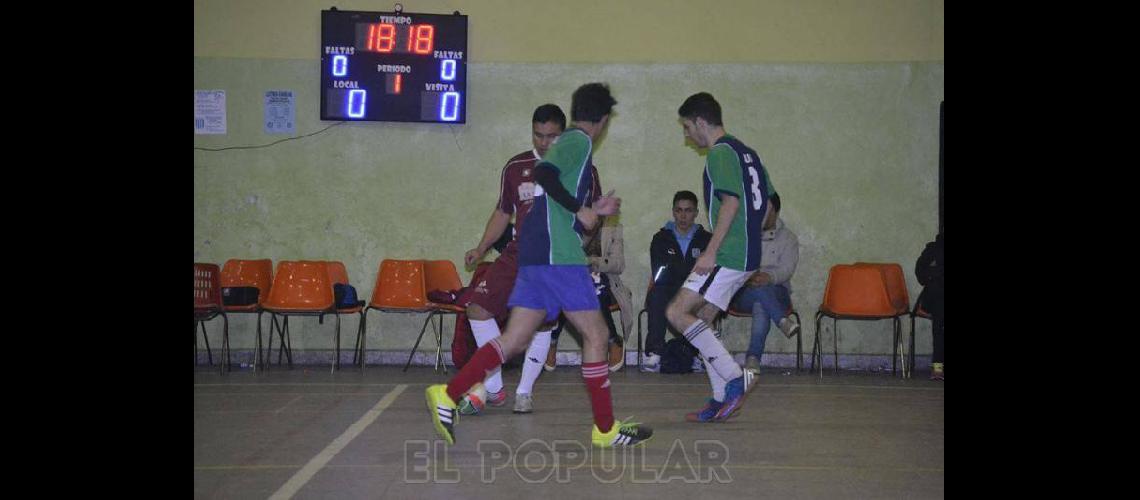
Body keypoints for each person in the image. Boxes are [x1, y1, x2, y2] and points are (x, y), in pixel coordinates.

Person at [427, 83, 653, 447]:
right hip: (557, 256)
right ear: (604, 119)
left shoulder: (570, 145)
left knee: (514, 339)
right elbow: (544, 175)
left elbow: (554, 203)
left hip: (534, 254)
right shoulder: (578, 142)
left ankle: (448, 394)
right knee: (596, 335)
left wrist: (594, 211)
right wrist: (582, 209)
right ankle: (605, 429)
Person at [449, 104, 568, 415]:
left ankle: (525, 392)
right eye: (538, 135)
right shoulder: (516, 167)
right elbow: (503, 212)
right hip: (518, 253)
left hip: (554, 257)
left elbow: (589, 218)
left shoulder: (578, 169)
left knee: (541, 325)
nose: (544, 143)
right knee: (476, 309)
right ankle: (495, 388)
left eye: (552, 137)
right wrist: (482, 247)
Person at [665, 92, 773, 423]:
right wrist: (749, 236)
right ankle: (717, 400)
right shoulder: (748, 153)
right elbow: (768, 209)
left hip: (728, 252)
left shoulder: (719, 154)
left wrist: (710, 252)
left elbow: (730, 203)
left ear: (700, 122)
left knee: (677, 312)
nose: (686, 135)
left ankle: (735, 378)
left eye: (686, 127)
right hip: (749, 252)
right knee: (705, 318)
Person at [543, 215, 634, 374]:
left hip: (603, 277)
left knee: (595, 291)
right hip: (571, 276)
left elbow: (619, 264)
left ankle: (613, 340)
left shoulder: (612, 229)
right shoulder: (567, 225)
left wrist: (595, 261)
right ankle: (552, 339)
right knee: (567, 290)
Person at [727, 192, 800, 374]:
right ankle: (782, 320)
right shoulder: (743, 235)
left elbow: (787, 269)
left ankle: (753, 359)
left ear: (775, 211)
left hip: (777, 292)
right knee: (760, 295)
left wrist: (769, 277)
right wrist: (749, 277)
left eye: (765, 209)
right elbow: (732, 264)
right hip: (744, 292)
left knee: (762, 301)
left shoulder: (788, 238)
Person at [641, 190, 712, 373]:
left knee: (709, 300)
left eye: (688, 210)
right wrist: (688, 271)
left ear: (696, 213)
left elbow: (709, 272)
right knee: (657, 296)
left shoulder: (707, 240)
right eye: (679, 210)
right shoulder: (660, 239)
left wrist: (684, 275)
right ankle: (654, 353)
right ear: (673, 211)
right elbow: (660, 271)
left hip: (696, 290)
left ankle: (696, 354)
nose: (683, 215)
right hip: (667, 288)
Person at [915, 232, 944, 380]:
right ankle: (938, 366)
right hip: (936, 298)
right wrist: (936, 274)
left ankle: (938, 366)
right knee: (940, 314)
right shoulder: (933, 249)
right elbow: (921, 273)